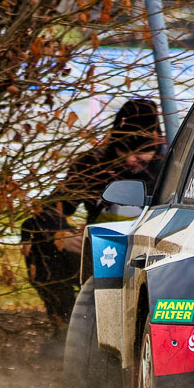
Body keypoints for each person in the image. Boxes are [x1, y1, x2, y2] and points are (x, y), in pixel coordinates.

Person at [21, 99, 164, 327]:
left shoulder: (173, 168)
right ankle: (67, 324)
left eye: (140, 152)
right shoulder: (94, 165)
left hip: (154, 257)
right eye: (123, 150)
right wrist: (62, 234)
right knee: (35, 233)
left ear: (156, 144)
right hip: (102, 254)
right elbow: (48, 209)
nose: (130, 160)